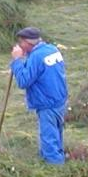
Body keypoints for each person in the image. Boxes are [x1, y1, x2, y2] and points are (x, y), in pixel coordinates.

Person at [9, 27, 68, 164]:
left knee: (49, 138)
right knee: (56, 133)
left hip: (46, 102)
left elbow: (24, 81)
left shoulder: (36, 56)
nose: (19, 46)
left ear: (28, 42)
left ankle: (54, 168)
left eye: (21, 42)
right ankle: (54, 158)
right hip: (59, 99)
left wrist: (17, 61)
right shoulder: (52, 49)